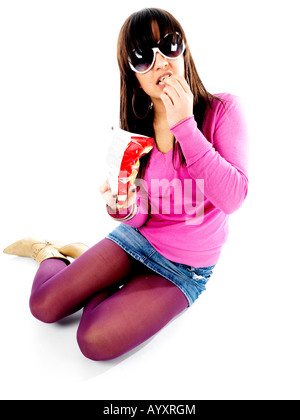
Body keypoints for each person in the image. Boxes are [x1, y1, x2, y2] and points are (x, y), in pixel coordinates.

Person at [3, 8, 249, 361]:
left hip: (184, 267)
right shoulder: (137, 129)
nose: (160, 61)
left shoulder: (222, 111)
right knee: (43, 305)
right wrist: (124, 206)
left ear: (185, 50)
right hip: (137, 240)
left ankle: (89, 262)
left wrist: (184, 124)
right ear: (132, 75)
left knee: (93, 340)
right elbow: (141, 215)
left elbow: (233, 198)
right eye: (142, 56)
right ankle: (49, 250)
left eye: (169, 44)